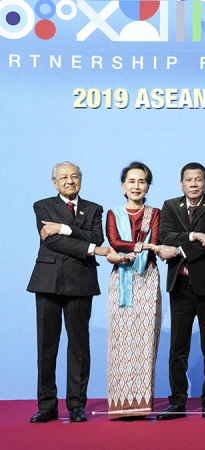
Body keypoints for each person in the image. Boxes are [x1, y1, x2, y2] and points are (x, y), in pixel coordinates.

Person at [28, 162, 112, 423]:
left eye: (74, 176)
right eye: (63, 177)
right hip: (48, 281)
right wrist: (89, 248)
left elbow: (97, 236)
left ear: (81, 180)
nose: (69, 181)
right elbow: (50, 240)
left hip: (80, 282)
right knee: (46, 346)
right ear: (55, 183)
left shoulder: (95, 208)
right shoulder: (42, 205)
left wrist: (64, 228)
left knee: (79, 345)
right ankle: (47, 406)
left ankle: (76, 405)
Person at [155, 163, 205, 421]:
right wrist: (196, 234)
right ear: (181, 184)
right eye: (189, 180)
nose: (194, 184)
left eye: (199, 180)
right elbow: (164, 235)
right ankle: (177, 402)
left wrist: (178, 249)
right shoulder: (169, 205)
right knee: (178, 347)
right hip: (180, 286)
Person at [106, 162, 162, 418]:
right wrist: (141, 245)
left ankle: (141, 404)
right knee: (120, 340)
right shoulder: (113, 213)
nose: (136, 186)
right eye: (131, 181)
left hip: (147, 278)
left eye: (141, 181)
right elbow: (114, 242)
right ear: (123, 186)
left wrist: (136, 248)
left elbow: (156, 242)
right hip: (121, 279)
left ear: (148, 186)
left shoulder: (154, 213)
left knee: (145, 340)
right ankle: (119, 404)